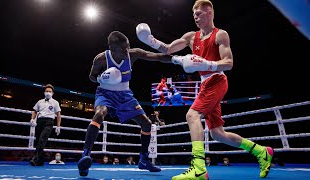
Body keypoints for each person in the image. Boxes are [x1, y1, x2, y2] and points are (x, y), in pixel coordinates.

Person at [136, 0, 273, 179]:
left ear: (209, 13)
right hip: (205, 83)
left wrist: (206, 64)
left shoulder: (220, 35)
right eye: (194, 14)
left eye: (199, 13)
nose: (195, 16)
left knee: (191, 115)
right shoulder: (191, 37)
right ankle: (262, 151)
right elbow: (168, 49)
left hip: (217, 80)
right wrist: (150, 40)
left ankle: (199, 169)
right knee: (218, 134)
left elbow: (229, 63)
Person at [77, 31, 173, 176]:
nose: (126, 51)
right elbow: (91, 76)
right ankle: (85, 156)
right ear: (111, 48)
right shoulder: (101, 59)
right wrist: (101, 78)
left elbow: (158, 57)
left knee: (147, 124)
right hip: (105, 93)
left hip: (125, 95)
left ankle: (144, 160)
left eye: (127, 47)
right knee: (99, 114)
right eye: (122, 49)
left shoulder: (133, 54)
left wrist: (178, 60)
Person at [29, 84, 61, 166]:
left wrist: (58, 126)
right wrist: (32, 119)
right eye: (46, 91)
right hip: (40, 121)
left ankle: (35, 158)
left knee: (42, 140)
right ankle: (40, 161)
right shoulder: (40, 101)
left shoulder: (55, 102)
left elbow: (58, 114)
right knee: (38, 140)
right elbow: (35, 111)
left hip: (49, 122)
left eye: (49, 91)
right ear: (44, 92)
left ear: (52, 93)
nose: (48, 92)